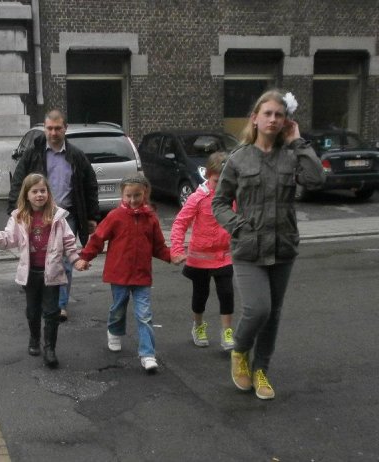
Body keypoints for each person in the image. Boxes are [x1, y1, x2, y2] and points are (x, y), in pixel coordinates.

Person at [212, 89, 325, 400]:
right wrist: (237, 226)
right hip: (248, 248)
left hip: (283, 246)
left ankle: (261, 369)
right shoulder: (238, 158)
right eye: (268, 114)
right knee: (257, 308)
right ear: (255, 119)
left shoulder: (291, 155)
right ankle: (240, 352)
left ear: (285, 120)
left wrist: (297, 140)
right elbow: (219, 203)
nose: (274, 119)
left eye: (279, 114)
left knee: (273, 313)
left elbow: (317, 180)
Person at [8, 109, 99, 322]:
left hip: (67, 215)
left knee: (65, 260)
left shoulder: (76, 156)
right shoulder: (33, 154)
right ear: (45, 128)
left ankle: (60, 305)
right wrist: (14, 210)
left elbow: (90, 185)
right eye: (49, 128)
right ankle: (41, 298)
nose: (54, 132)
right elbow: (19, 182)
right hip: (37, 215)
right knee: (38, 258)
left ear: (65, 129)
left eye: (58, 128)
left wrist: (92, 216)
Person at [75, 175, 171, 372]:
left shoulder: (150, 217)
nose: (133, 200)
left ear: (145, 193)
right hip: (119, 273)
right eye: (129, 195)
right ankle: (114, 329)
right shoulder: (115, 216)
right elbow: (98, 238)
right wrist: (85, 257)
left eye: (137, 195)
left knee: (144, 315)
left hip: (142, 275)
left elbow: (158, 245)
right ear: (122, 195)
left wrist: (172, 256)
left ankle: (147, 354)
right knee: (118, 307)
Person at [0, 173, 81, 368]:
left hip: (52, 273)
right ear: (26, 195)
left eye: (43, 191)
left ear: (48, 193)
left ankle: (50, 349)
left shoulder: (57, 216)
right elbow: (8, 239)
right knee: (32, 311)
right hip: (30, 273)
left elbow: (69, 241)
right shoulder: (19, 217)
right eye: (35, 191)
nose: (39, 195)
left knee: (52, 312)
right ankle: (34, 339)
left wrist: (76, 259)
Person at [170, 152, 235, 350]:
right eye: (217, 181)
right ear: (208, 175)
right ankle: (198, 325)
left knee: (227, 293)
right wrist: (177, 249)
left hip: (224, 256)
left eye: (226, 181)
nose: (221, 185)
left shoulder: (232, 197)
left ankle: (227, 332)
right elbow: (180, 223)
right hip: (200, 258)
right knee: (201, 294)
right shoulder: (198, 198)